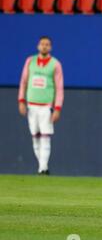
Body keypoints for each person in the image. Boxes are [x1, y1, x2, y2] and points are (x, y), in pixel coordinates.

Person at [18, 36, 64, 175]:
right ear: (38, 46)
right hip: (32, 104)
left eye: (47, 44)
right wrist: (21, 100)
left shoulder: (55, 64)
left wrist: (57, 108)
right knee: (35, 136)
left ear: (50, 47)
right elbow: (24, 82)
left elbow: (59, 87)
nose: (44, 46)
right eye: (42, 44)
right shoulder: (30, 61)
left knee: (45, 135)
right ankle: (42, 166)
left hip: (46, 106)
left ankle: (43, 168)